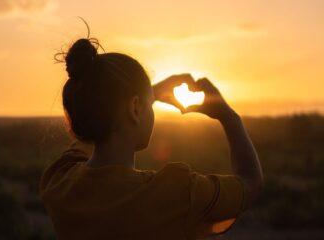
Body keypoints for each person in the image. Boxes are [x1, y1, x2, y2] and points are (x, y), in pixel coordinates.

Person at [39, 37, 263, 240]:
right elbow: (250, 184)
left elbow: (91, 130)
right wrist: (229, 117)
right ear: (135, 108)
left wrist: (145, 95)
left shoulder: (59, 182)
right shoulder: (175, 194)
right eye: (148, 104)